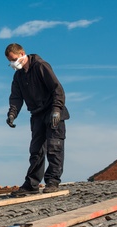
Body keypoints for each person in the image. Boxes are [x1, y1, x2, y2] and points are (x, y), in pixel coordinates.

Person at [5, 43, 69, 195]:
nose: (13, 63)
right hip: (37, 114)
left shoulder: (41, 66)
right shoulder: (19, 76)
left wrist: (56, 109)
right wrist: (12, 113)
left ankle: (53, 181)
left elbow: (57, 88)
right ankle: (32, 184)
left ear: (22, 54)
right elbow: (16, 97)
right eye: (10, 61)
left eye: (14, 59)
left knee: (54, 147)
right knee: (36, 150)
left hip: (52, 111)